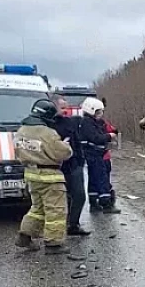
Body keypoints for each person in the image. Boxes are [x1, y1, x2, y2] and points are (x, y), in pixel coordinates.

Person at [14, 99, 74, 254]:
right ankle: (53, 244)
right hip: (50, 177)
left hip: (31, 176)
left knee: (37, 208)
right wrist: (67, 146)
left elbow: (18, 152)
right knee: (56, 211)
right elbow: (62, 153)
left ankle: (25, 236)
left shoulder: (21, 131)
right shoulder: (48, 133)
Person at [51, 95, 90, 236]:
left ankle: (73, 224)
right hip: (56, 167)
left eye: (66, 107)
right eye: (62, 107)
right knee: (60, 199)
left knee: (80, 196)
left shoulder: (70, 122)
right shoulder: (48, 125)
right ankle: (60, 226)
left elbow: (76, 141)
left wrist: (80, 160)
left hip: (74, 165)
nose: (65, 110)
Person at [80, 97, 121, 214]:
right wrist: (109, 136)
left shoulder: (91, 122)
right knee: (102, 179)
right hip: (95, 155)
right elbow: (96, 138)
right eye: (98, 112)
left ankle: (94, 202)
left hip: (95, 155)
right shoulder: (88, 124)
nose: (100, 114)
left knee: (93, 179)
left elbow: (109, 129)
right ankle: (106, 204)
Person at [100, 97, 119, 207]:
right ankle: (106, 201)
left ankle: (100, 200)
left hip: (102, 156)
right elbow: (113, 130)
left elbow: (114, 130)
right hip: (102, 156)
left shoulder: (92, 123)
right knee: (104, 179)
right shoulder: (102, 123)